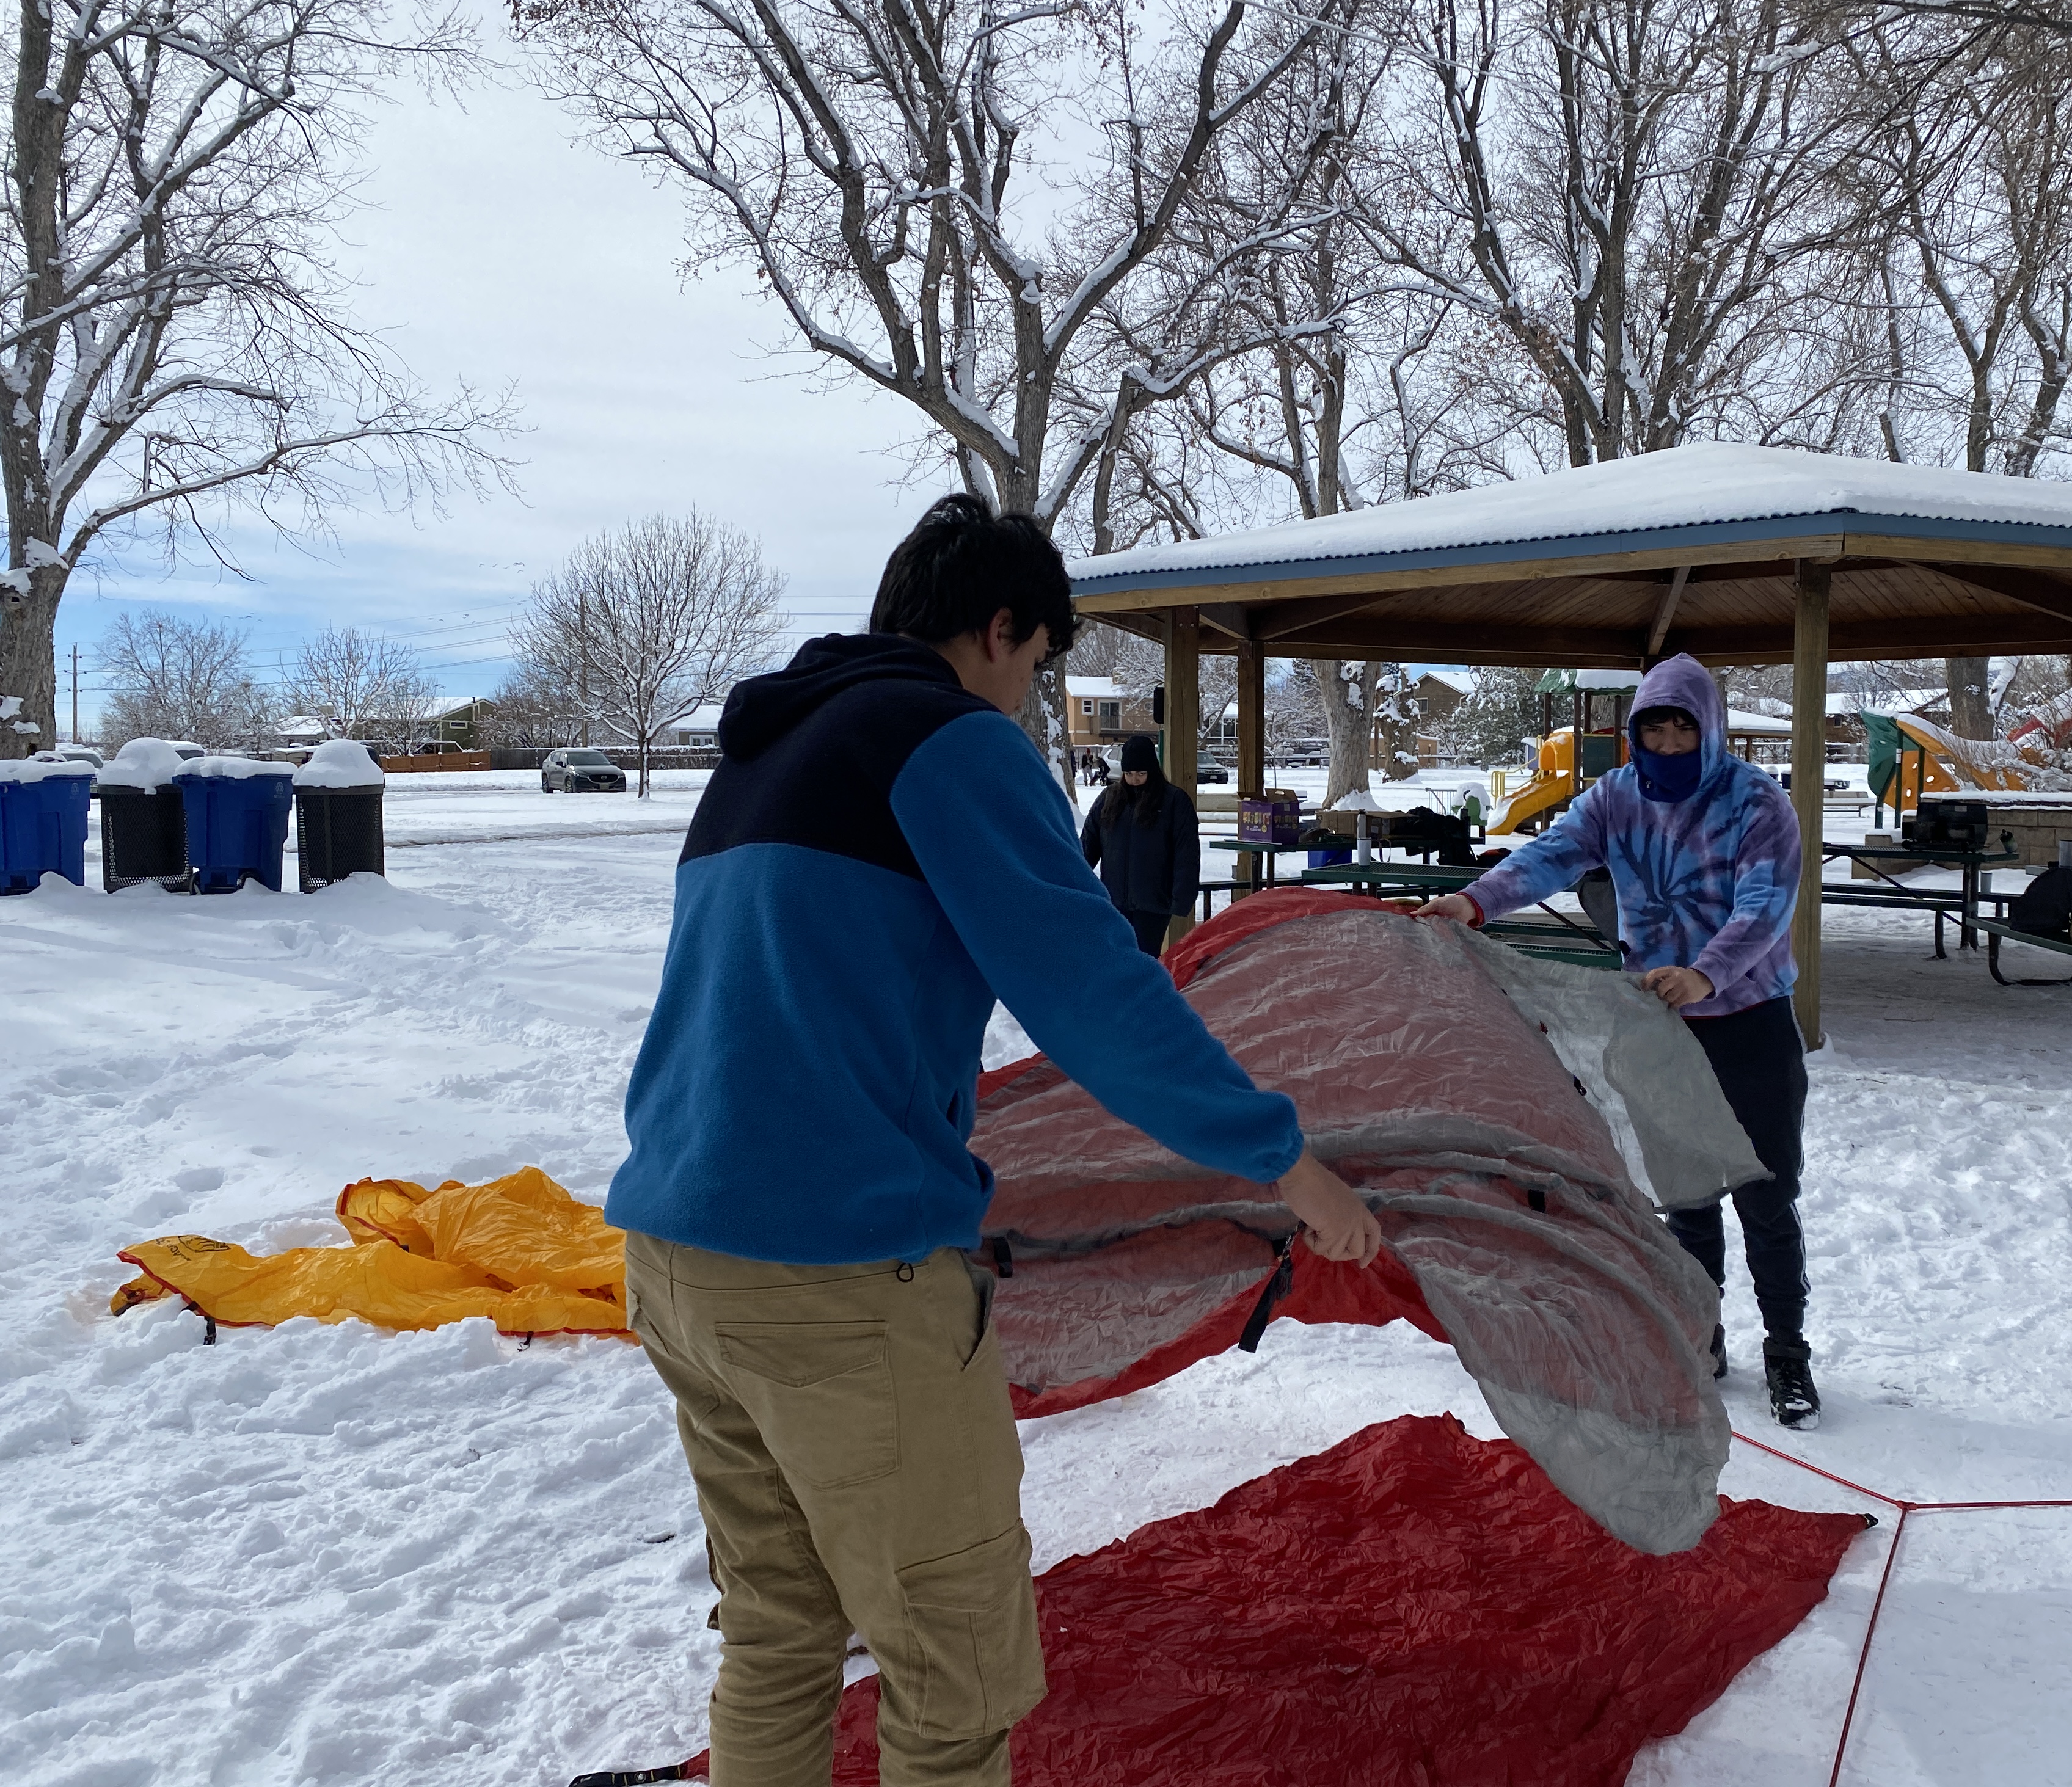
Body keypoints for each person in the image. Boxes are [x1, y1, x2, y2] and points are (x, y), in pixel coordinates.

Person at [607, 495, 1382, 1787]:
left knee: (782, 1633)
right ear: (1001, 627)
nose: (1028, 695)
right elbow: (1096, 995)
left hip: (682, 1256)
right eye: (1035, 664)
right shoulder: (948, 743)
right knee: (953, 1671)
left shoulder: (766, 748)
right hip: (840, 1282)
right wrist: (1287, 1163)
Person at [1415, 653, 1818, 1430]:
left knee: (1766, 1195)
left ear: (1710, 730)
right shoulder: (1615, 797)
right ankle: (1700, 1336)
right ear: (1634, 735)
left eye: (1682, 728)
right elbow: (1550, 856)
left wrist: (1707, 975)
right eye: (1653, 729)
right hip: (1656, 1025)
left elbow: (1768, 904)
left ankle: (1788, 1352)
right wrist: (1474, 902)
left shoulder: (1756, 803)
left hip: (1749, 1023)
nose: (1667, 744)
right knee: (1687, 1199)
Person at [1079, 730, 1201, 956]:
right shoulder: (1109, 799)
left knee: (1144, 959)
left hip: (1154, 902)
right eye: (1129, 773)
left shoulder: (1174, 802)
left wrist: (1182, 897)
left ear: (1152, 771)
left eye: (1141, 773)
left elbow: (1187, 853)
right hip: (1114, 900)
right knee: (1116, 960)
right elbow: (1088, 845)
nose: (1135, 780)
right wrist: (1074, 882)